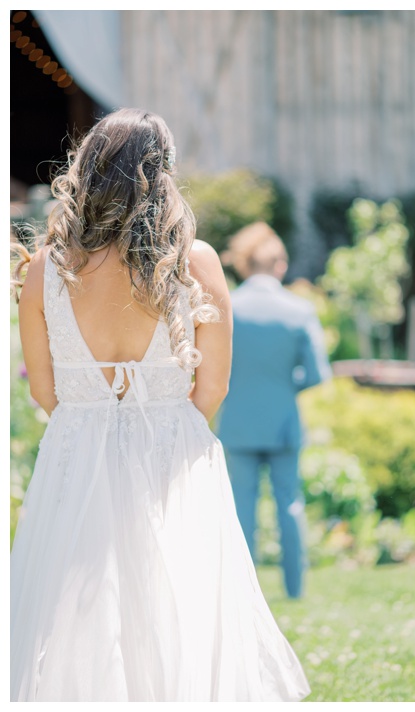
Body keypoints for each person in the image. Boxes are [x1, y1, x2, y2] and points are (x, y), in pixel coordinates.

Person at [11, 108, 309, 700]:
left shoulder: (47, 268)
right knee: (180, 608)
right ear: (161, 175)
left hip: (75, 454)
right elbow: (215, 386)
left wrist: (93, 422)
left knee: (69, 615)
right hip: (173, 455)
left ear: (88, 172)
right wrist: (163, 422)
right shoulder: (195, 261)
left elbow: (42, 389)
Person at [218, 223, 330, 599]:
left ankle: (243, 591)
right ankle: (294, 588)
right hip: (283, 423)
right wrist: (287, 384)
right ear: (279, 265)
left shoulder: (227, 307)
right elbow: (317, 373)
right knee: (290, 503)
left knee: (241, 508)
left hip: (236, 423)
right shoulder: (299, 311)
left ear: (245, 265)